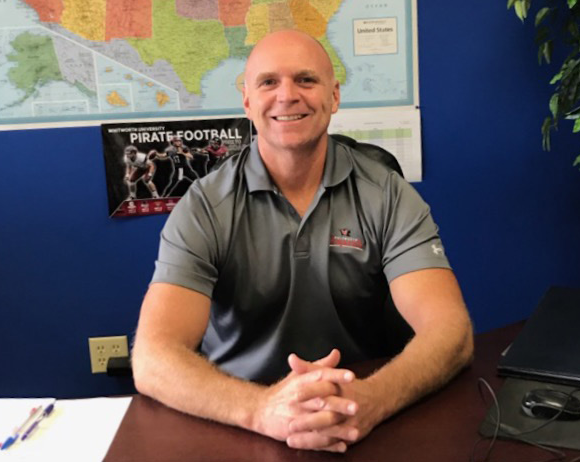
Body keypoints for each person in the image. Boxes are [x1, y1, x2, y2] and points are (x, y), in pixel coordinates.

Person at [132, 29, 473, 453]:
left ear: (334, 97)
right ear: (247, 102)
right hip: (238, 418)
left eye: (306, 80)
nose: (287, 95)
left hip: (360, 413)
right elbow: (152, 358)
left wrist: (369, 401)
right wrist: (263, 409)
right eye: (268, 82)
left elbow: (451, 330)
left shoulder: (386, 193)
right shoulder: (205, 206)